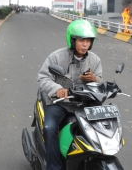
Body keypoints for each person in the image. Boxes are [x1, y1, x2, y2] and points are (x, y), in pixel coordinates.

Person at [37, 19, 102, 170]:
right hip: (60, 103)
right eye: (81, 40)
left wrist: (94, 79)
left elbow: (100, 81)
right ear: (72, 40)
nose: (85, 44)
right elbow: (43, 77)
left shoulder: (95, 60)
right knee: (49, 127)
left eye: (88, 41)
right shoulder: (56, 57)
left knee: (99, 126)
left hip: (84, 103)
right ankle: (54, 166)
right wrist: (56, 88)